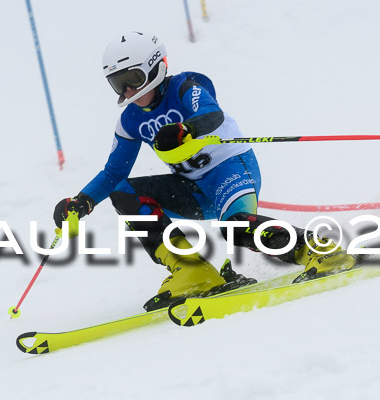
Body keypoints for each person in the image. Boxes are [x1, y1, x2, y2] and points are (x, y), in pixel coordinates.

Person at [53, 32, 355, 309]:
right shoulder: (130, 120)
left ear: (156, 66)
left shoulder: (185, 87)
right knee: (123, 191)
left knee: (234, 226)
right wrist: (83, 201)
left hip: (231, 169)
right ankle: (193, 271)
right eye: (118, 83)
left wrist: (187, 128)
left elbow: (212, 114)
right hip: (194, 189)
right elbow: (114, 172)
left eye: (133, 77)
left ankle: (321, 250)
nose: (129, 89)